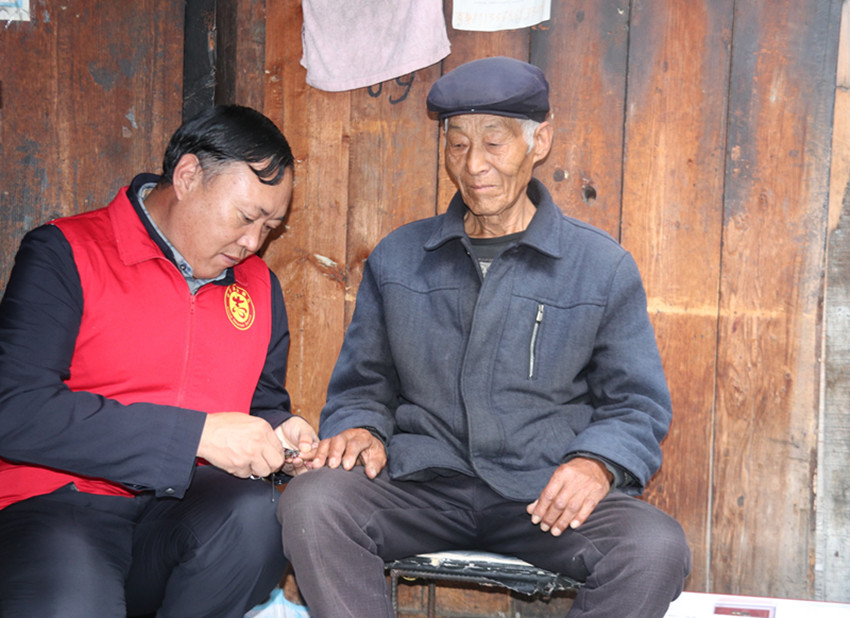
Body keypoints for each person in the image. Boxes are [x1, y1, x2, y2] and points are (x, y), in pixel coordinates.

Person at [278, 57, 691, 618]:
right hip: (421, 486)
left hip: (542, 494)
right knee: (313, 504)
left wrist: (596, 464)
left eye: (494, 144)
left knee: (654, 548)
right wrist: (361, 429)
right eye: (457, 145)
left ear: (539, 141)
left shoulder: (600, 266)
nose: (474, 165)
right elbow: (362, 385)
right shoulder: (401, 257)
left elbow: (636, 405)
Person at [0, 104, 318, 618]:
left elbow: (263, 403)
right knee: (73, 600)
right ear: (188, 176)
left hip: (182, 515)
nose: (253, 243)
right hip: (60, 504)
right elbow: (15, 410)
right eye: (245, 218)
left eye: (271, 227)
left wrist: (282, 432)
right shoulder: (68, 251)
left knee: (258, 516)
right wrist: (194, 437)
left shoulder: (260, 286)